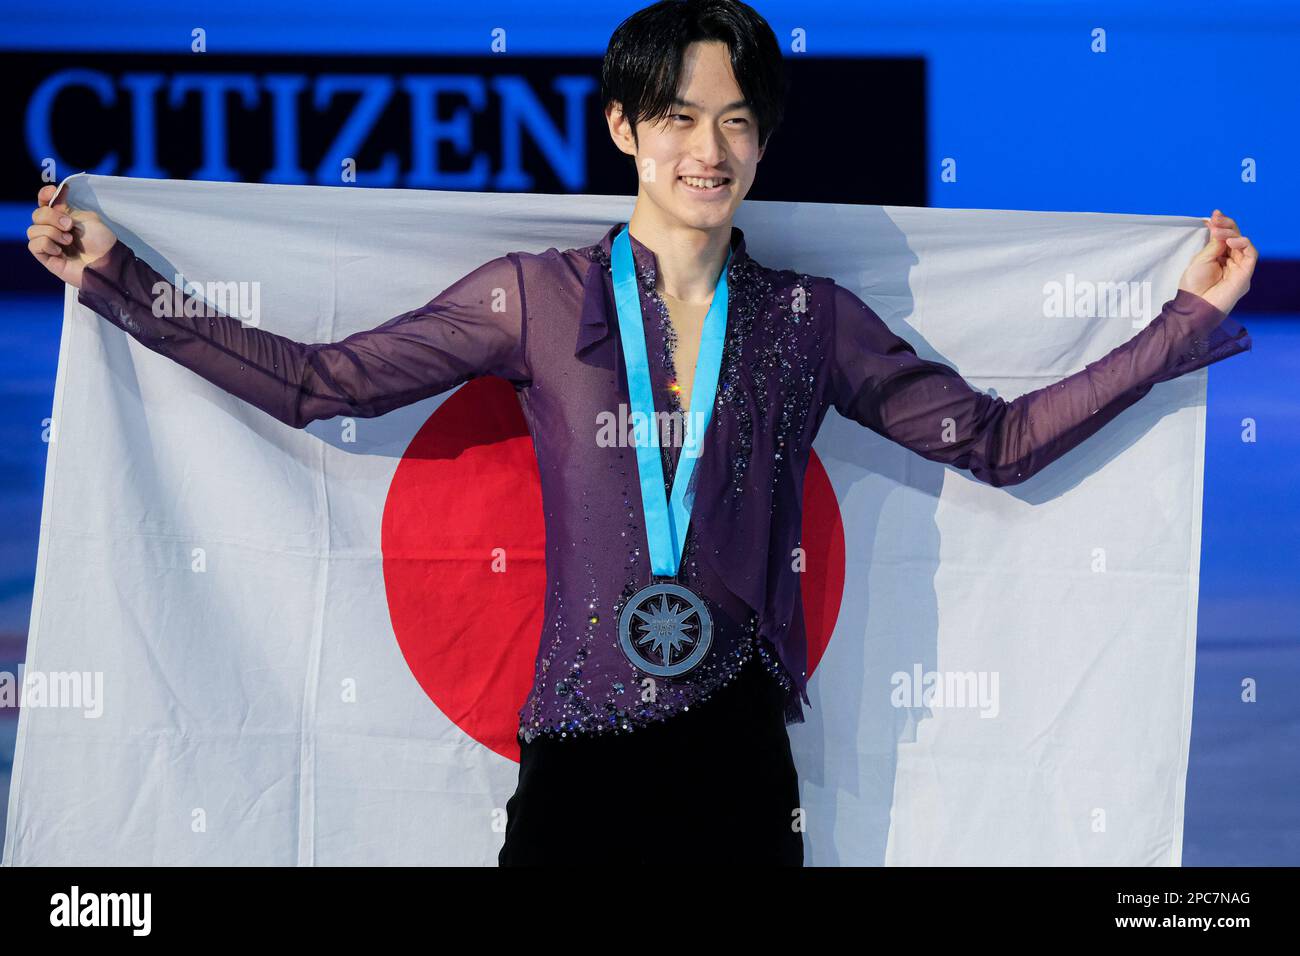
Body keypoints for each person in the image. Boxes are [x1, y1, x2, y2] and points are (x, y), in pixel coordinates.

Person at [26, 0, 1255, 867]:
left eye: (732, 121)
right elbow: (320, 381)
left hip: (736, 769)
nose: (703, 148)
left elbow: (994, 440)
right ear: (622, 128)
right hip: (575, 762)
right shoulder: (535, 298)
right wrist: (118, 276)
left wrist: (1183, 322)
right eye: (673, 116)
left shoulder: (808, 320)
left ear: (764, 140)